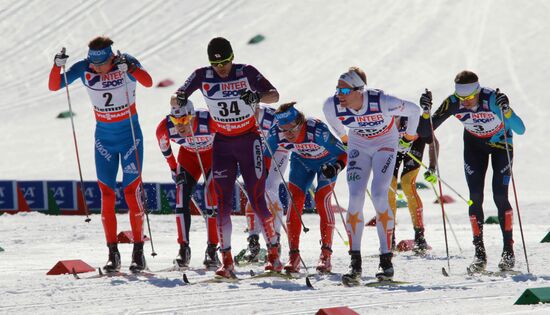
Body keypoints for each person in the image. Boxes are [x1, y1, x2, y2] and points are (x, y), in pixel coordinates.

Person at [174, 37, 282, 278]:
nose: (220, 68)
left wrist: (256, 97)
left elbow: (273, 95)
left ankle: (274, 256)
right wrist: (179, 98)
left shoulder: (246, 72)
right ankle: (226, 261)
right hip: (222, 143)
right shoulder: (202, 75)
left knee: (257, 199)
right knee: (221, 203)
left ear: (232, 58)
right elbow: (177, 95)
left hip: (249, 140)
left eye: (224, 62)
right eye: (216, 63)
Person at [48, 36, 153, 273]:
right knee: (106, 193)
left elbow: (148, 82)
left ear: (111, 58)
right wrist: (56, 66)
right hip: (103, 140)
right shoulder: (84, 67)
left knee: (130, 191)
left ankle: (138, 252)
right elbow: (55, 86)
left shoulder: (125, 61)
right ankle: (112, 253)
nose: (96, 69)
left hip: (130, 138)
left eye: (100, 65)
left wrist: (133, 69)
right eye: (93, 65)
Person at [419, 70, 526, 272]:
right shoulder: (452, 102)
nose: (465, 102)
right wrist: (425, 112)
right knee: (475, 197)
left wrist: (507, 110)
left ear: (477, 91)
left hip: (500, 143)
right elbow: (425, 133)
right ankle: (479, 254)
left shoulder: (491, 99)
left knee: (499, 196)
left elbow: (520, 129)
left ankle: (508, 252)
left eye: (469, 97)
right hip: (474, 146)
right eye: (461, 98)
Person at [323, 67, 421, 284]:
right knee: (355, 197)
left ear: (360, 91)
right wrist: (345, 138)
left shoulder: (382, 101)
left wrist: (408, 137)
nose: (340, 95)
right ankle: (355, 262)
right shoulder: (332, 105)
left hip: (385, 144)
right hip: (359, 144)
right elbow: (336, 124)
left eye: (345, 91)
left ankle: (386, 261)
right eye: (338, 89)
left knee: (378, 195)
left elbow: (415, 111)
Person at [265, 102, 347, 274]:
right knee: (294, 202)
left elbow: (343, 153)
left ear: (300, 123)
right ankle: (293, 256)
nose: (288, 134)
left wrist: (336, 168)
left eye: (292, 130)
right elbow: (266, 157)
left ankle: (326, 255)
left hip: (327, 163)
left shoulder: (316, 130)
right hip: (301, 162)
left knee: (321, 200)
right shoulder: (275, 133)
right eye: (284, 130)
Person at [155, 99, 221, 269]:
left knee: (210, 194)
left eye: (184, 120)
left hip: (213, 155)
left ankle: (212, 249)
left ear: (192, 116)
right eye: (176, 121)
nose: (180, 126)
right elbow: (166, 150)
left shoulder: (208, 120)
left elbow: (227, 138)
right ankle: (183, 249)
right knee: (181, 197)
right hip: (189, 158)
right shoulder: (165, 127)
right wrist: (173, 169)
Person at [242, 105, 289, 263]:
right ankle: (253, 243)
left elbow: (287, 134)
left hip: (278, 151)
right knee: (253, 192)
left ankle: (275, 240)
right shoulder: (238, 116)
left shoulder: (271, 116)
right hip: (256, 154)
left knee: (269, 188)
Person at [387, 117, 438, 254]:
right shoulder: (382, 121)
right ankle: (389, 237)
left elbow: (433, 142)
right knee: (389, 187)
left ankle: (419, 236)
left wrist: (432, 167)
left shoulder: (415, 120)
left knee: (407, 183)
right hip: (393, 150)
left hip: (414, 146)